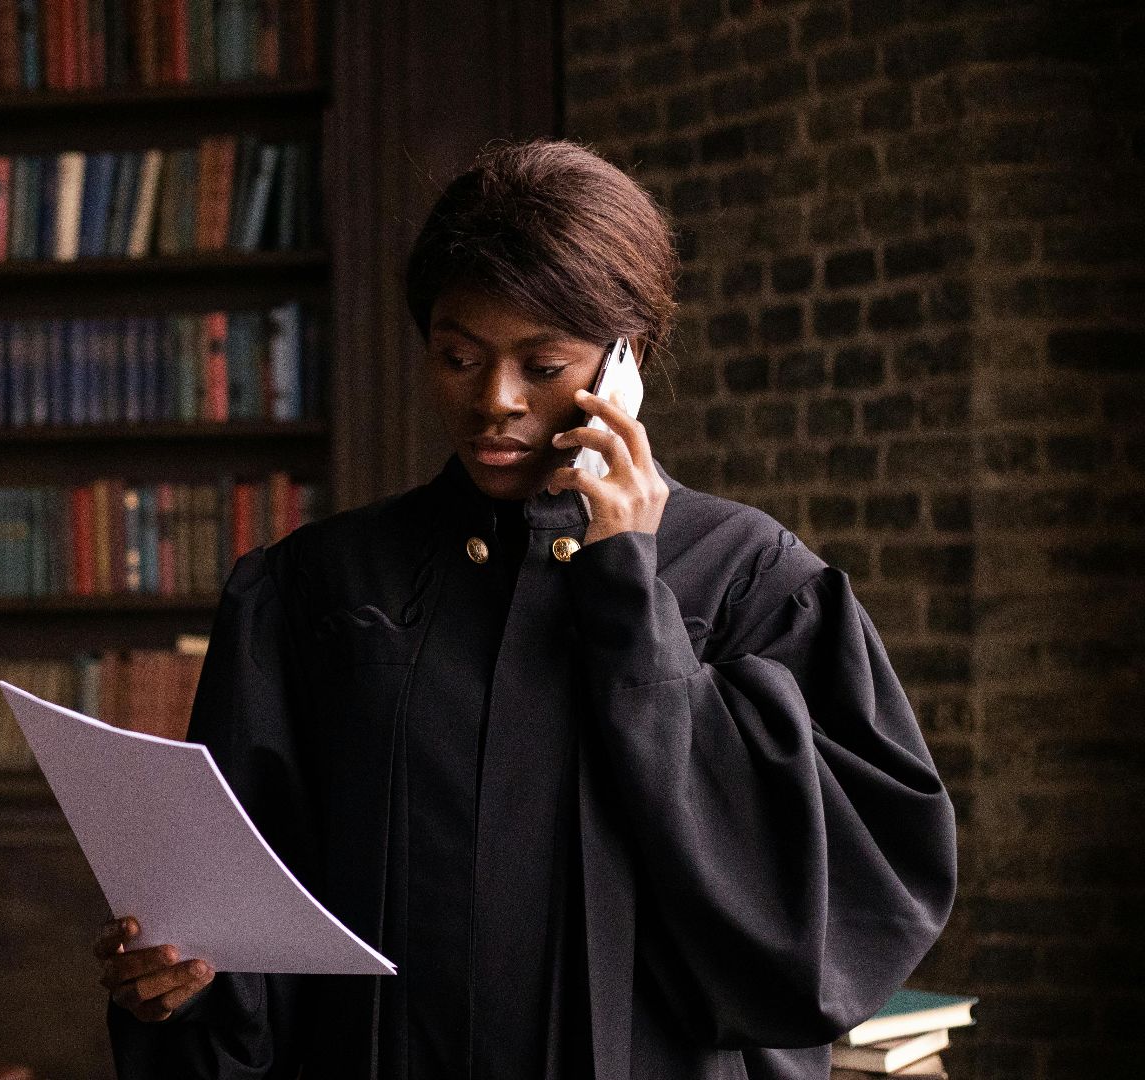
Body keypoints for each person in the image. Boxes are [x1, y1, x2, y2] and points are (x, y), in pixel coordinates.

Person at [92, 139, 958, 1080]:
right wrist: (186, 979)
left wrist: (629, 590)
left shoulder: (751, 583)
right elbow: (247, 914)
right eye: (459, 356)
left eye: (542, 366)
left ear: (630, 358)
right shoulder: (318, 588)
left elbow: (829, 927)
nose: (494, 402)